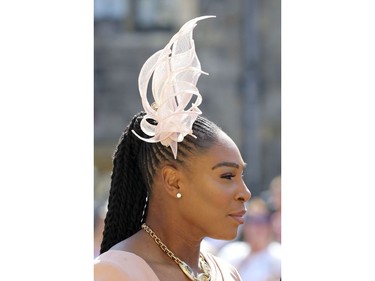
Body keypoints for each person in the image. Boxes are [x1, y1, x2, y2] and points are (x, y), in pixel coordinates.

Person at [94, 15, 252, 281]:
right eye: (227, 176)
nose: (245, 193)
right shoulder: (114, 273)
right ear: (173, 181)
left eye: (241, 176)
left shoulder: (226, 273)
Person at [217, 197, 281, 281]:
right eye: (251, 219)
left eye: (262, 220)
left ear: (269, 225)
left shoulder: (279, 255)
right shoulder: (231, 251)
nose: (256, 226)